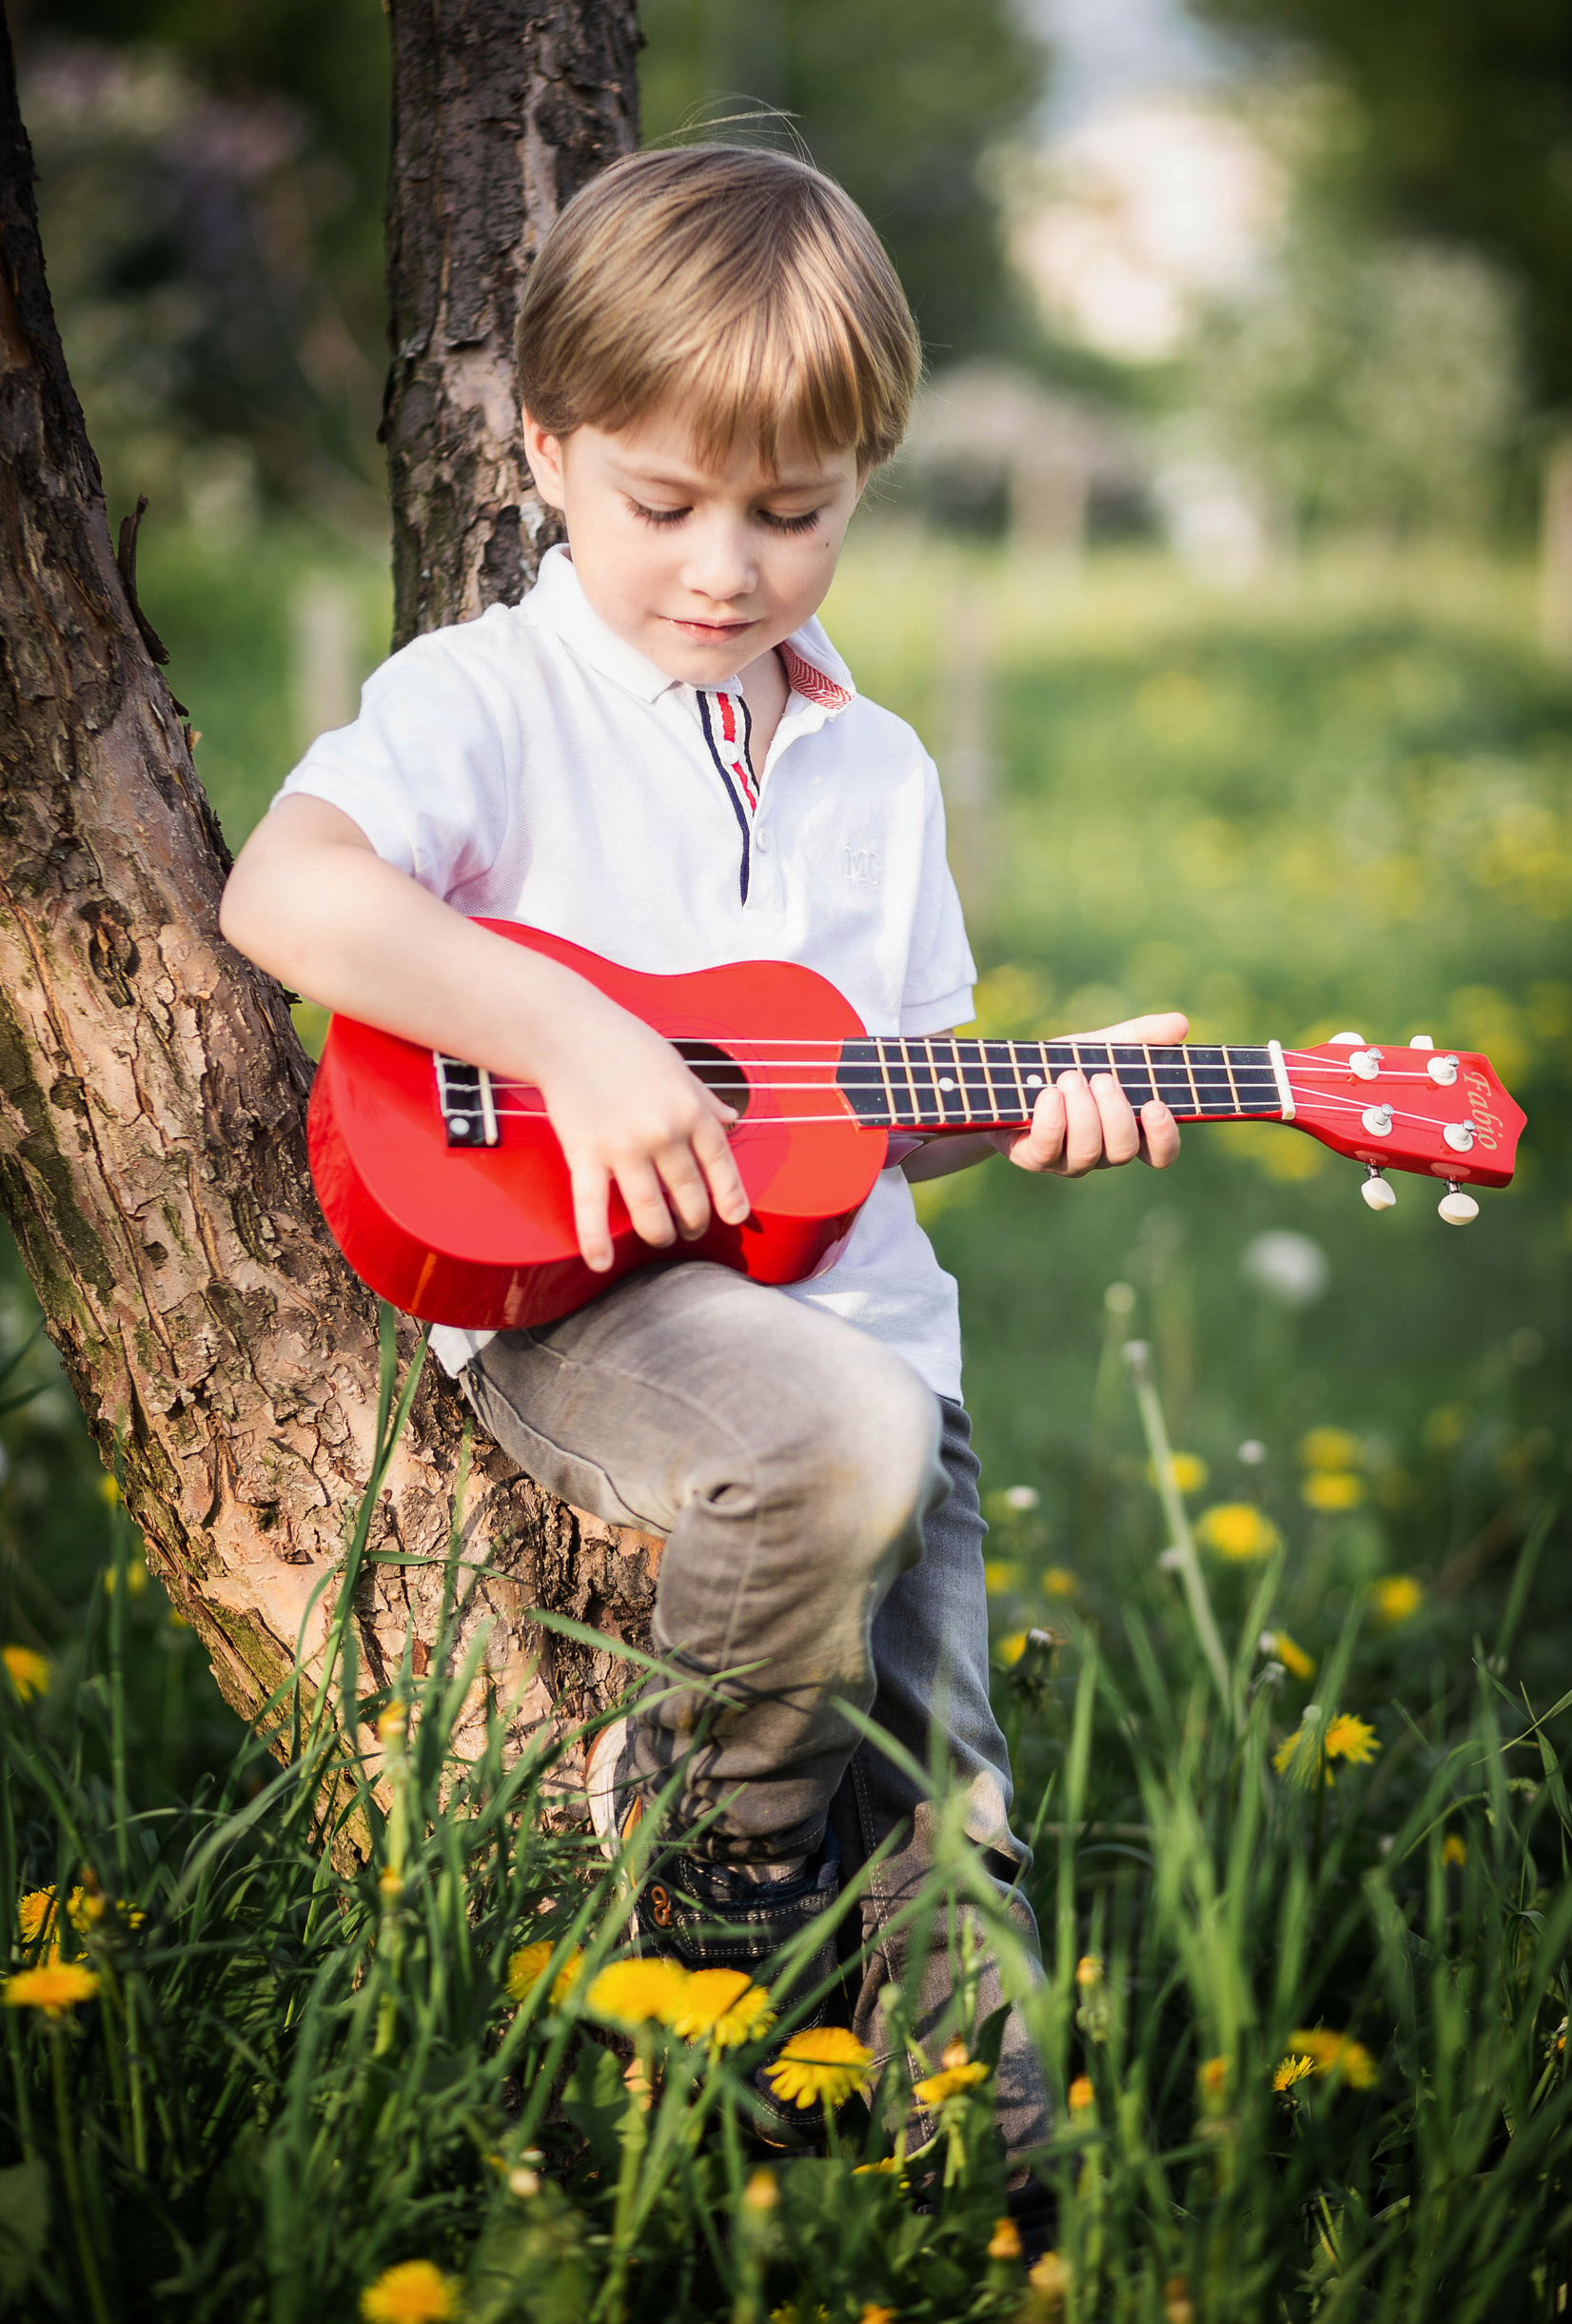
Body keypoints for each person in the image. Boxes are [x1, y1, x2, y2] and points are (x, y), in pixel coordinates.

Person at [219, 144, 1185, 2168]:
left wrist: (1034, 1105)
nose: (723, 567)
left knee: (951, 1804)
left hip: (859, 1331)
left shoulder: (876, 766)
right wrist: (571, 1039)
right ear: (549, 451)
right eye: (663, 503)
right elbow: (287, 897)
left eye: (793, 511)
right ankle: (707, 1886)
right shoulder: (482, 697)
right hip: (579, 1291)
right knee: (827, 1428)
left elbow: (855, 1117)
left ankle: (985, 2193)